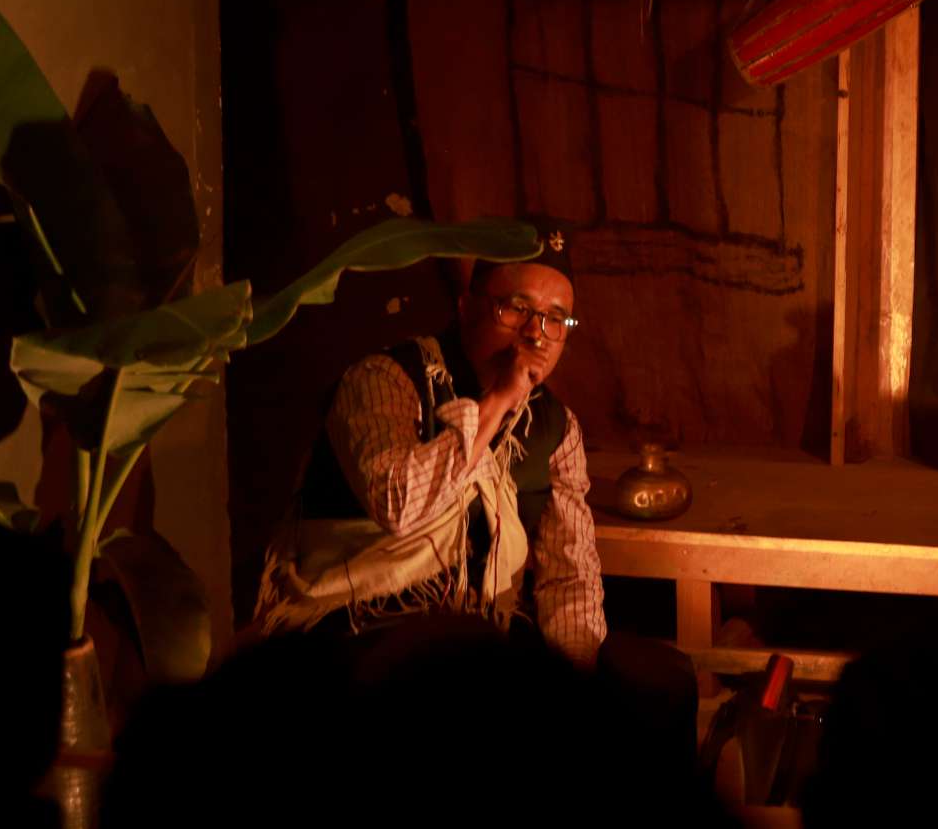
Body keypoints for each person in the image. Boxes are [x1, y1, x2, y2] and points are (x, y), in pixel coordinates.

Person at [246, 218, 702, 781]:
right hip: (362, 629)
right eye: (516, 308)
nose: (536, 334)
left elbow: (569, 575)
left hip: (481, 641)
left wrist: (577, 688)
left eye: (556, 319)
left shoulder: (555, 428)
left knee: (656, 695)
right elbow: (399, 506)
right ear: (466, 307)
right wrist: (499, 400)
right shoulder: (385, 380)